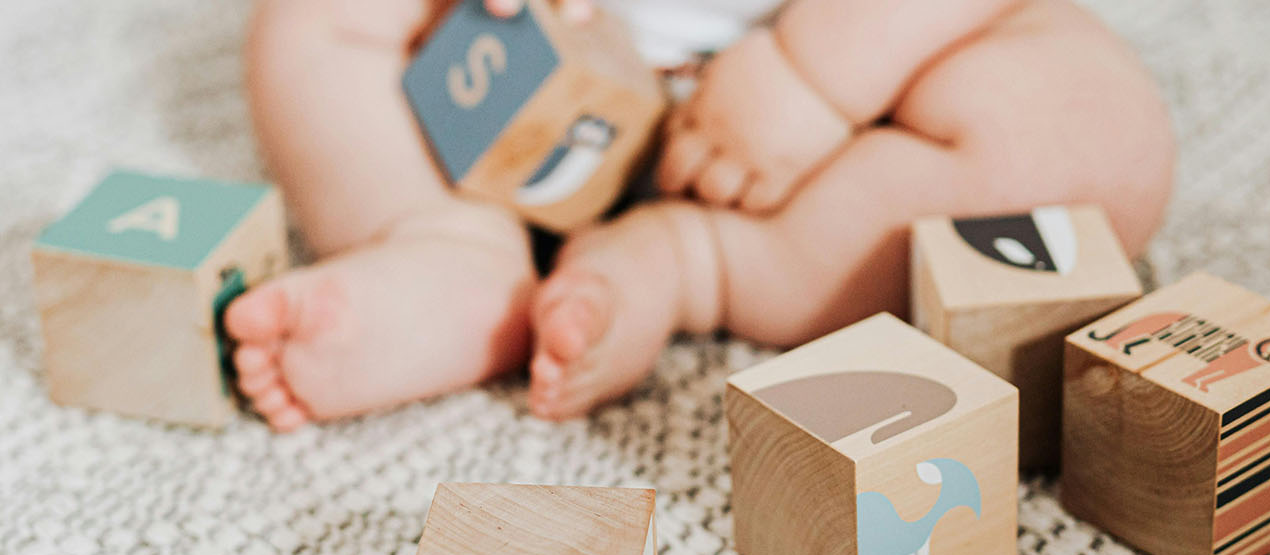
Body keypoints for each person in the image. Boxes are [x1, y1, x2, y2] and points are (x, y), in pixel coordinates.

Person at [226, 0, 1175, 430]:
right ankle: (445, 242)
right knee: (315, 17)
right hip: (530, 75)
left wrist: (815, 73)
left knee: (1091, 136)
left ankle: (699, 262)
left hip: (843, 126)